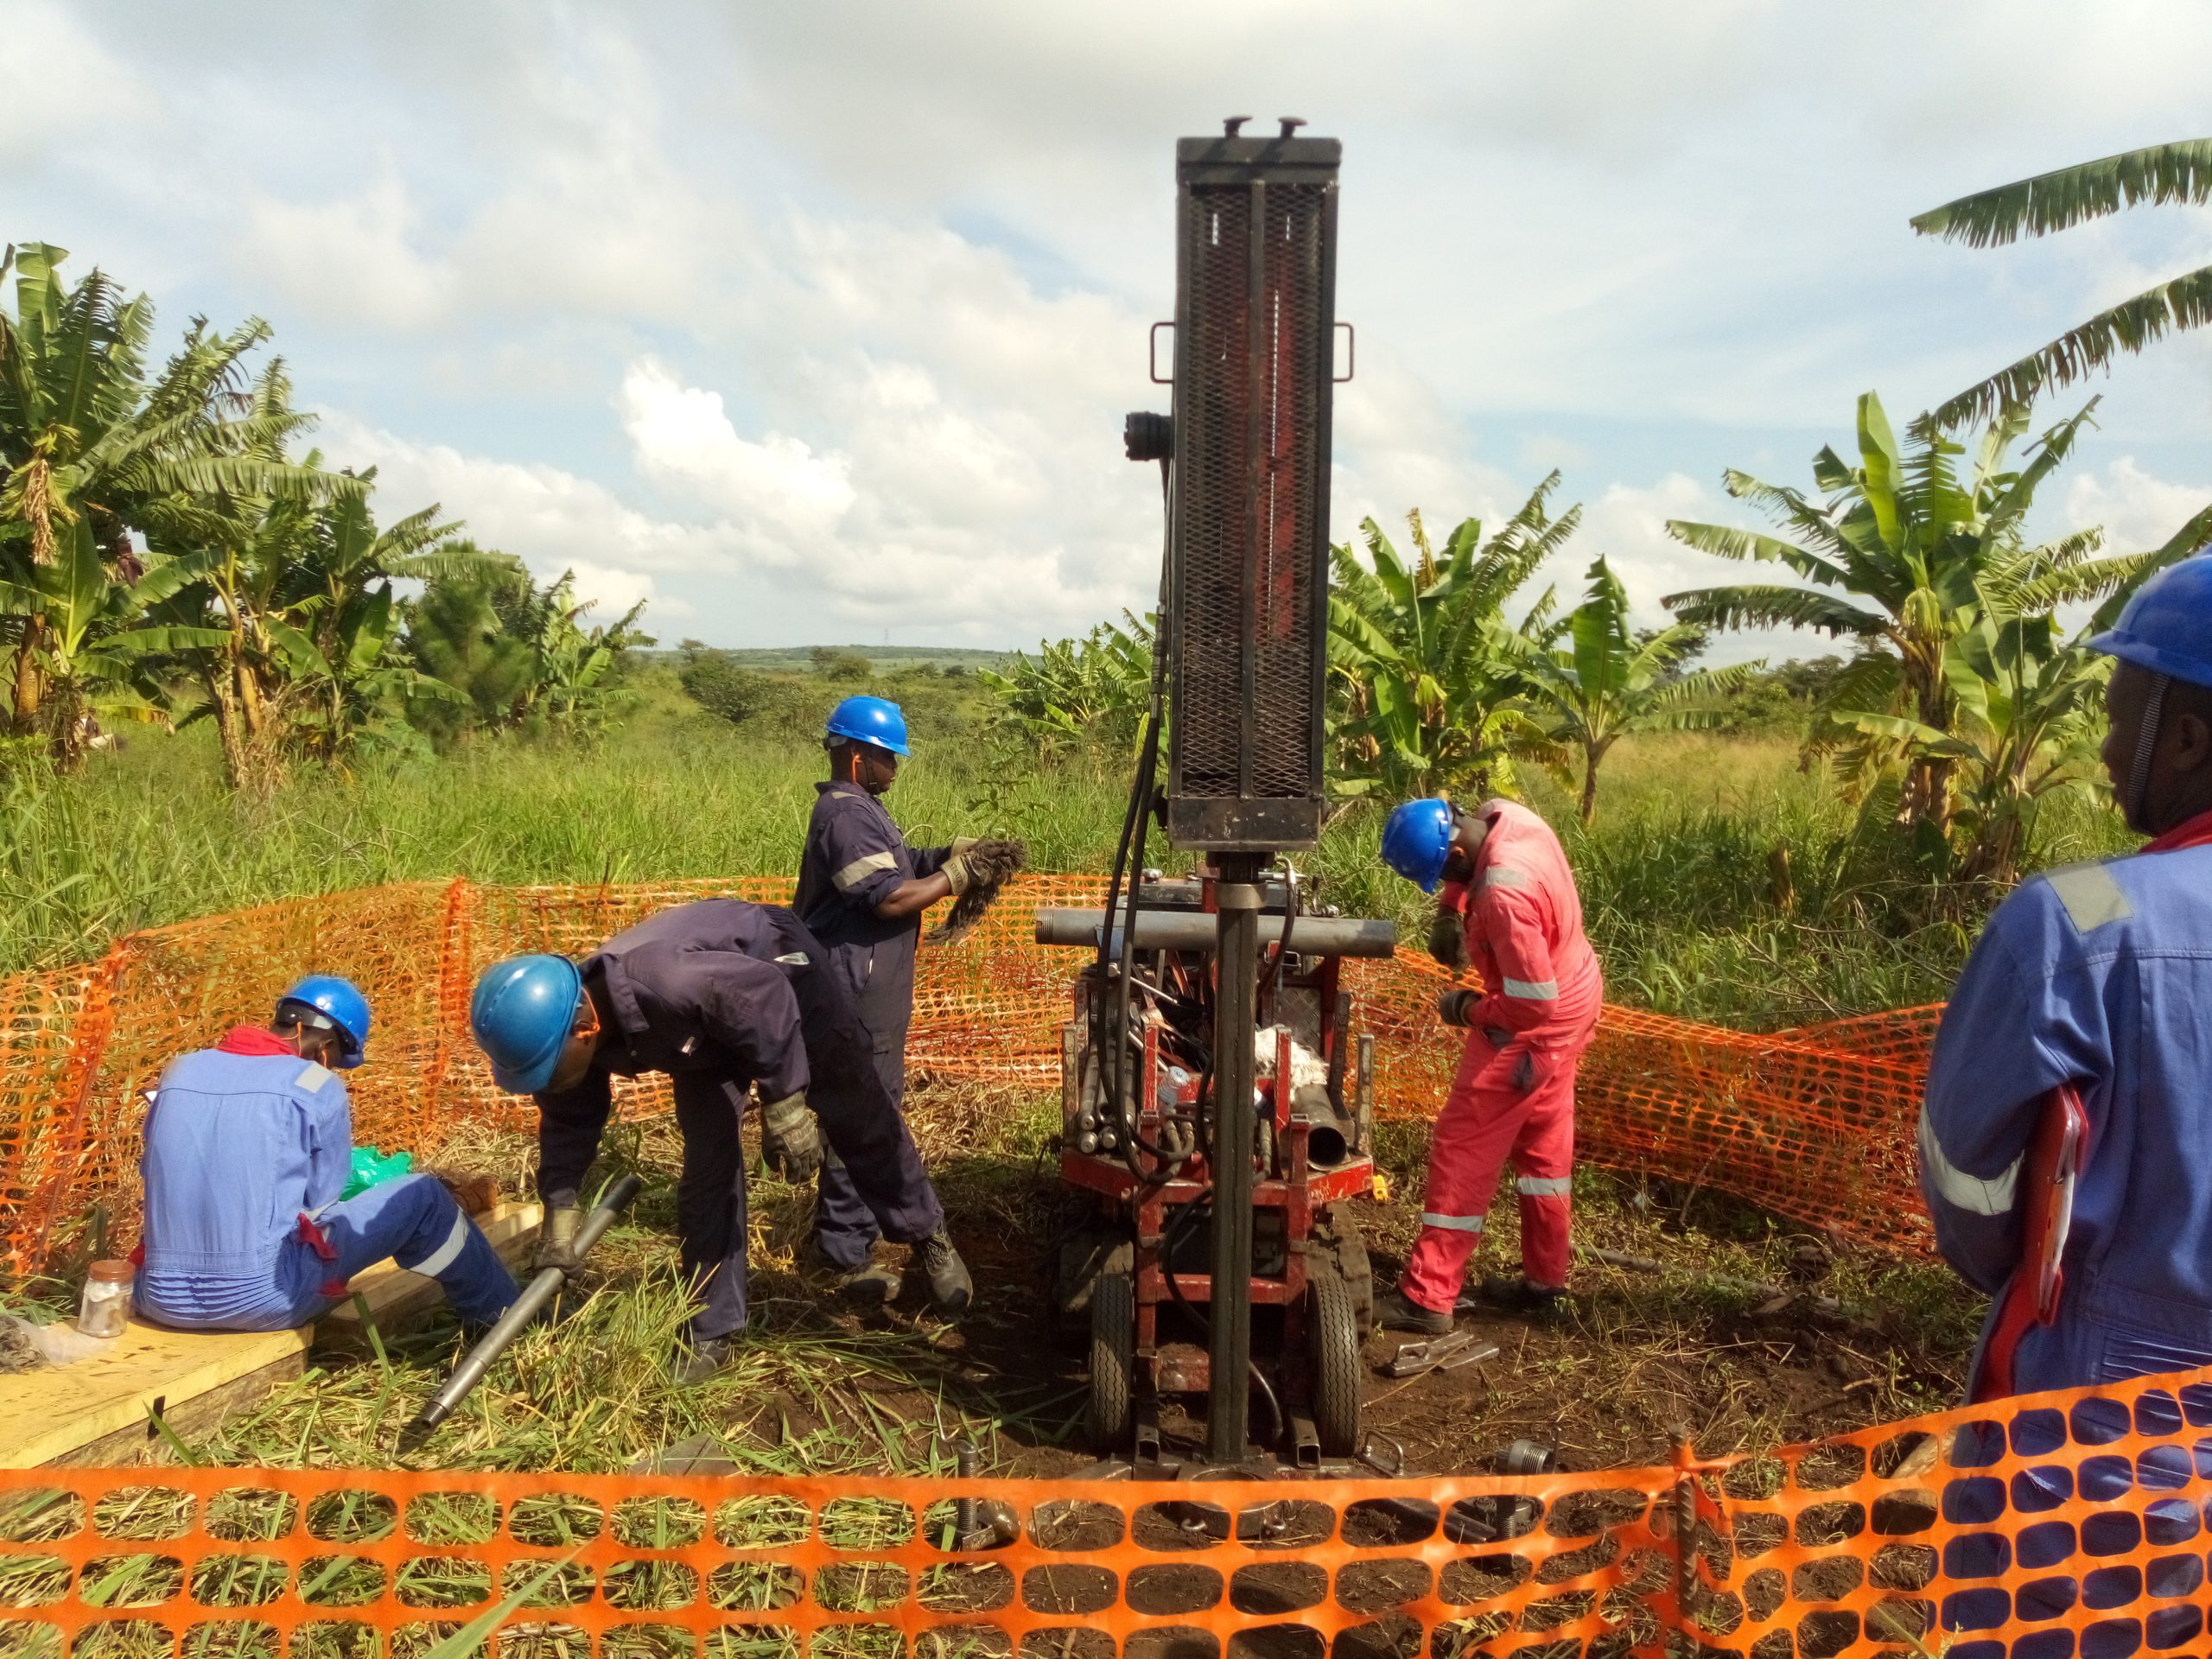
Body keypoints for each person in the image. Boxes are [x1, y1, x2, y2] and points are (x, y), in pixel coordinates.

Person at [1919, 555, 2212, 1396]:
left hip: (2099, 1430)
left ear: (2187, 739)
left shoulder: (2077, 916)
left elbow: (1969, 1189)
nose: (2108, 751)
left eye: (2118, 719)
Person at [469, 897, 973, 1386]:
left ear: (585, 1029)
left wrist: (786, 1104)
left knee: (854, 1108)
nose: (548, 1081)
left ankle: (925, 1231)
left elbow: (766, 995)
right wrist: (559, 1219)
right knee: (708, 1172)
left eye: (546, 1070)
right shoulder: (565, 1032)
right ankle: (710, 1329)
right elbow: (566, 1125)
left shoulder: (667, 983)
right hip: (699, 1033)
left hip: (775, 968)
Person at [137, 976, 519, 1333]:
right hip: (262, 1297)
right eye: (335, 1058)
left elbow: (156, 1174)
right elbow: (320, 1201)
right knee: (426, 1196)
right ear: (323, 1047)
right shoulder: (316, 1082)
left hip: (158, 1296)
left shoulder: (181, 1071)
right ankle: (502, 1320)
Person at [1371, 796, 1604, 1335]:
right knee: (1543, 1149)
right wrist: (1449, 909)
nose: (1446, 883)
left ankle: (1427, 1297)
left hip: (1535, 1025)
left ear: (1456, 852)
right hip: (1578, 997)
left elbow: (1531, 1004)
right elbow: (1466, 847)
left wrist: (1468, 1008)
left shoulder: (1502, 894)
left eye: (1444, 875)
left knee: (1463, 1146)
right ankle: (1546, 1286)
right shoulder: (1503, 815)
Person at [790, 695, 987, 1300]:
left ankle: (854, 1233)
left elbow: (898, 869)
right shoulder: (844, 817)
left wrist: (947, 855)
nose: (896, 768)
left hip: (872, 986)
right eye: (887, 757)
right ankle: (845, 1253)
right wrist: (955, 879)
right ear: (857, 756)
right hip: (855, 988)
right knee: (864, 1115)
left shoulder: (863, 807)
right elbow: (888, 898)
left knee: (871, 1111)